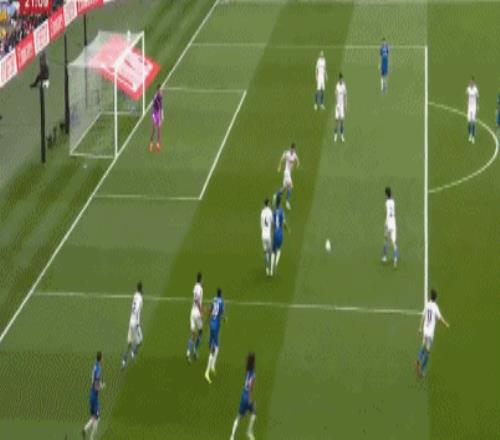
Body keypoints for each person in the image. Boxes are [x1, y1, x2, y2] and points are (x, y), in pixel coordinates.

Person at [416, 289, 450, 377]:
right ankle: (422, 370)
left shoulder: (427, 305)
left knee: (424, 346)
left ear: (430, 296)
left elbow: (423, 316)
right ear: (436, 298)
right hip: (430, 333)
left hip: (425, 331)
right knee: (428, 352)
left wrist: (420, 328)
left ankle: (418, 360)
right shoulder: (435, 307)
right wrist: (446, 324)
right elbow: (440, 318)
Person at [230, 353, 257, 440]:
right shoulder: (253, 375)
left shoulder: (247, 371)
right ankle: (249, 432)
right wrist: (251, 399)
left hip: (243, 394)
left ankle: (232, 436)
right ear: (253, 362)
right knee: (254, 414)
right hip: (247, 396)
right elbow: (251, 387)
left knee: (239, 416)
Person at [82, 351, 104, 440]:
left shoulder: (95, 366)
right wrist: (100, 387)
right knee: (97, 419)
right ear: (101, 358)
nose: (103, 359)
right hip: (94, 397)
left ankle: (84, 429)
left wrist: (99, 385)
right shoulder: (98, 368)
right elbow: (96, 382)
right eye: (102, 357)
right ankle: (91, 438)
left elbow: (94, 380)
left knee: (94, 417)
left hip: (92, 394)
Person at [121, 282, 144, 369]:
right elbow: (137, 310)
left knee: (129, 343)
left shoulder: (135, 295)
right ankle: (133, 353)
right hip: (135, 323)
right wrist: (137, 323)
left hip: (130, 321)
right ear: (141, 289)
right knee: (140, 341)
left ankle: (123, 362)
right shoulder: (140, 298)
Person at [205, 288, 225, 384]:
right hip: (215, 327)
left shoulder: (214, 299)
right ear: (221, 294)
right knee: (214, 349)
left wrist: (207, 320)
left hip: (211, 325)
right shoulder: (221, 302)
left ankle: (212, 366)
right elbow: (221, 314)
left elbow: (210, 309)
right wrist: (224, 319)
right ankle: (207, 372)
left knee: (215, 347)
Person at [186, 272, 203, 362]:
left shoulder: (195, 286)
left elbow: (195, 296)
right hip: (197, 313)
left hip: (192, 312)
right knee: (200, 332)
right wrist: (201, 310)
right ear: (201, 279)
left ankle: (188, 353)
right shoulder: (199, 288)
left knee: (192, 334)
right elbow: (197, 299)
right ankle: (195, 350)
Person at [277, 143, 300, 210]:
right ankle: (287, 202)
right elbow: (282, 159)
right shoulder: (287, 153)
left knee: (284, 188)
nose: (293, 150)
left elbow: (297, 160)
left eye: (294, 149)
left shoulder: (294, 154)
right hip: (286, 172)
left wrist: (297, 164)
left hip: (289, 173)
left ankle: (277, 195)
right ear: (290, 148)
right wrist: (279, 166)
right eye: (292, 149)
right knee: (290, 187)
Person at [270, 196, 287, 276]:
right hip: (280, 232)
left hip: (275, 232)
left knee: (273, 251)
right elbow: (284, 222)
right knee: (279, 250)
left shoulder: (274, 212)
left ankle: (271, 270)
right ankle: (276, 264)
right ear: (280, 203)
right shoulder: (281, 211)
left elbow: (273, 223)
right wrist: (287, 228)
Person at [381, 187, 398, 268]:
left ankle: (384, 257)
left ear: (386, 194)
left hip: (389, 223)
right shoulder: (393, 201)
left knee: (386, 240)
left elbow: (388, 213)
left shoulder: (387, 202)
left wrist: (385, 223)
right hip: (394, 222)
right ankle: (395, 260)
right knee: (394, 242)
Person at [260, 198, 273, 276]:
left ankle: (267, 269)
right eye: (270, 203)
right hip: (268, 235)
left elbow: (261, 224)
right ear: (268, 204)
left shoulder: (262, 212)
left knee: (265, 252)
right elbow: (272, 221)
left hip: (263, 235)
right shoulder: (270, 212)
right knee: (270, 252)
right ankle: (270, 268)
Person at [149, 84, 163, 152]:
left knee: (159, 129)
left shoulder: (160, 96)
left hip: (158, 113)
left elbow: (161, 105)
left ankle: (157, 144)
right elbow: (154, 104)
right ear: (157, 89)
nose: (161, 91)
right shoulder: (155, 96)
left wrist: (162, 114)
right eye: (160, 89)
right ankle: (151, 144)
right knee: (154, 129)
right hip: (154, 113)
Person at [334, 73, 347, 143]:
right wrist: (337, 105)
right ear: (338, 79)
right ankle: (335, 135)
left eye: (341, 78)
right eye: (340, 79)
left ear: (342, 78)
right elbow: (335, 95)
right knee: (336, 121)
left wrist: (345, 105)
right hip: (338, 106)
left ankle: (341, 135)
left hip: (342, 106)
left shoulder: (344, 86)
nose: (340, 80)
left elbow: (345, 96)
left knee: (342, 121)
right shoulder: (337, 86)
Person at [466, 77, 479, 143]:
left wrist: (478, 105)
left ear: (474, 82)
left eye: (472, 82)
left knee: (473, 122)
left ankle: (473, 137)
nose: (471, 83)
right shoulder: (468, 88)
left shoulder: (475, 89)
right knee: (469, 122)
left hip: (474, 107)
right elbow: (467, 95)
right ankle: (469, 135)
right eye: (470, 82)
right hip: (469, 107)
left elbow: (477, 97)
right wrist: (467, 101)